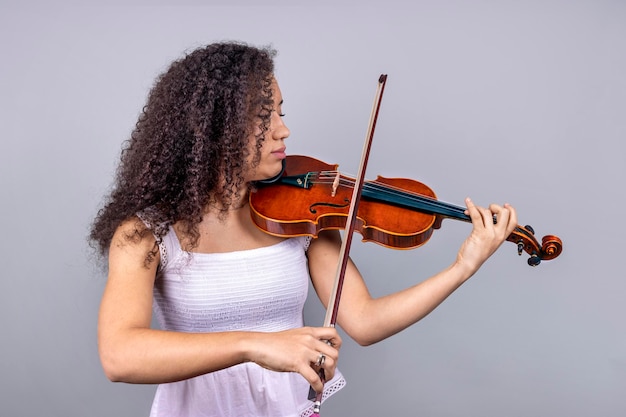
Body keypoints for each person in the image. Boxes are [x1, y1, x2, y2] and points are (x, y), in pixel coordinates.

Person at [89, 41, 518, 417]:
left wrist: (462, 266)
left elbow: (365, 322)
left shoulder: (302, 216)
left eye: (280, 111)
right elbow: (119, 355)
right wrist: (256, 344)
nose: (283, 129)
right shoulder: (144, 233)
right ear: (212, 129)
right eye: (263, 117)